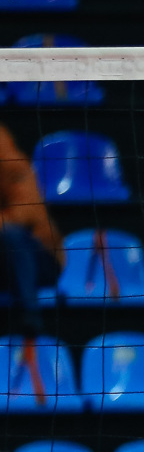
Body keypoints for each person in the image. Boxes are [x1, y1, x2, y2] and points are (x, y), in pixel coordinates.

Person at [0, 125, 61, 337]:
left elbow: (27, 211)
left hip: (39, 258)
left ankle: (30, 320)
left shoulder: (13, 165)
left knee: (10, 233)